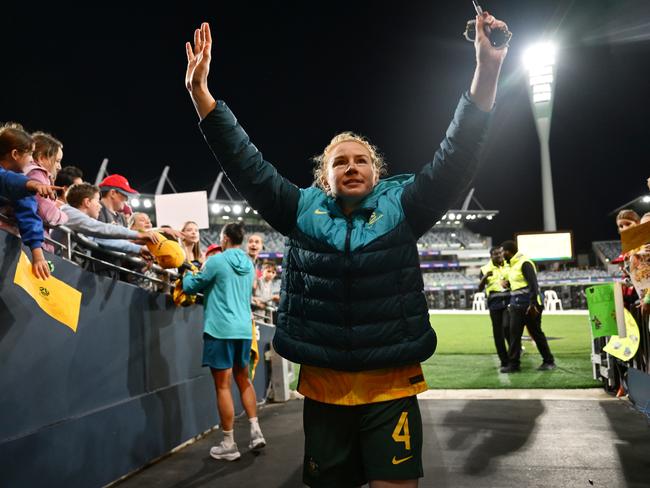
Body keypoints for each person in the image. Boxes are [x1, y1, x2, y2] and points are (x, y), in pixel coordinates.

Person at [185, 13, 507, 486]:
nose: (352, 167)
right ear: (324, 175)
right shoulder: (297, 210)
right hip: (324, 389)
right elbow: (246, 164)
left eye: (361, 160)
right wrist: (201, 95)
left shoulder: (406, 206)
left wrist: (489, 67)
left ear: (376, 172)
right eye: (341, 161)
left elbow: (459, 153)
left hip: (391, 385)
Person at [182, 222, 266, 461]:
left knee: (223, 386)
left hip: (220, 329)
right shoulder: (249, 265)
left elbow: (190, 286)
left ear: (225, 238)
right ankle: (255, 430)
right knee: (244, 378)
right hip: (243, 330)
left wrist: (186, 270)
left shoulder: (217, 261)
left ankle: (229, 443)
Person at [0, 123, 51, 279]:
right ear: (15, 154)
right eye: (30, 154)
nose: (32, 160)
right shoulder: (22, 184)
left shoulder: (21, 186)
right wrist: (30, 184)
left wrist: (38, 255)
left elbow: (28, 215)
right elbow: (5, 179)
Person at [54, 183, 158, 257]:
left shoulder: (81, 222)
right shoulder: (68, 212)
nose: (99, 206)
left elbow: (103, 240)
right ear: (87, 202)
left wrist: (138, 249)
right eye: (97, 201)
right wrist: (138, 234)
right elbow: (102, 228)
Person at [500, 240, 555, 373]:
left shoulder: (524, 263)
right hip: (516, 305)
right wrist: (504, 282)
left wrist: (533, 304)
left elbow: (533, 285)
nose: (501, 255)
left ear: (508, 252)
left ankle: (549, 361)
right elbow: (510, 281)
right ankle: (514, 365)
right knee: (514, 335)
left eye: (502, 252)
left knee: (536, 333)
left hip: (528, 305)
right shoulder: (512, 265)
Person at [24, 132, 69, 251]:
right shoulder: (37, 174)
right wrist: (64, 214)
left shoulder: (31, 172)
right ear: (41, 158)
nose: (59, 167)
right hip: (30, 244)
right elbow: (49, 215)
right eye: (57, 161)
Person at [477, 246, 510, 369]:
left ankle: (514, 356)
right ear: (491, 256)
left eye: (500, 253)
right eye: (496, 254)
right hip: (494, 303)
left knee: (508, 328)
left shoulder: (509, 264)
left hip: (508, 301)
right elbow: (479, 289)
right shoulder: (485, 268)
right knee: (498, 333)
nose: (499, 255)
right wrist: (485, 278)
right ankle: (504, 360)